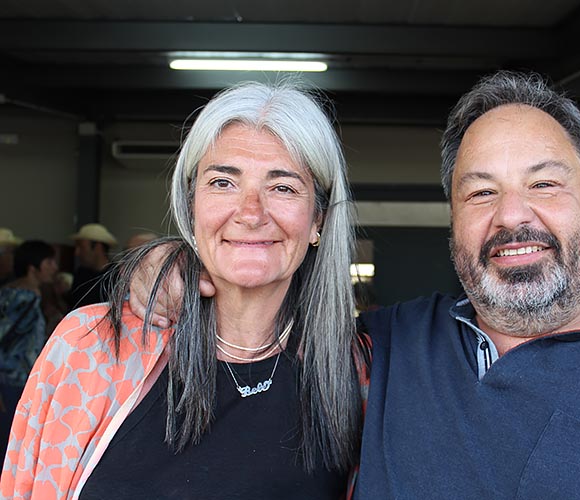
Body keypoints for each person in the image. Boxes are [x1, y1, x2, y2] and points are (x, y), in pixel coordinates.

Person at [121, 71, 580, 498]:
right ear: (453, 217)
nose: (512, 215)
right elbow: (259, 306)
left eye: (543, 183)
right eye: (481, 192)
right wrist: (176, 262)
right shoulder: (390, 349)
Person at [0, 82, 367, 498]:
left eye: (282, 187)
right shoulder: (92, 346)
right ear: (192, 207)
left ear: (318, 219)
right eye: (223, 183)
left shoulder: (353, 371)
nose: (251, 213)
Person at [0, 240, 57, 455]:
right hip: (11, 382)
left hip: (19, 382)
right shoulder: (22, 297)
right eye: (49, 261)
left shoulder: (27, 293)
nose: (54, 267)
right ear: (33, 266)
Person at [69, 222, 117, 308]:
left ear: (98, 247)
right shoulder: (81, 273)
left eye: (82, 247)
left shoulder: (116, 276)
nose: (77, 253)